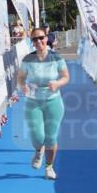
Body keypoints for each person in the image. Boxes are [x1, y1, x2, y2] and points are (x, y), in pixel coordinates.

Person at [17, 27, 70, 180]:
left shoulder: (56, 57)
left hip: (53, 102)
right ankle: (38, 151)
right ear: (32, 42)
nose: (38, 41)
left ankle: (49, 167)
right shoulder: (28, 59)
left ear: (46, 38)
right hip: (33, 102)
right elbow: (21, 78)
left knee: (51, 138)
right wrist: (23, 86)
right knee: (37, 137)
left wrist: (57, 83)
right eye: (35, 39)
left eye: (41, 38)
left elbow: (66, 77)